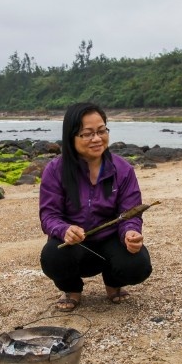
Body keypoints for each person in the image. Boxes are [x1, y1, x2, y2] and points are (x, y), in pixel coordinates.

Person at [39, 102, 153, 311]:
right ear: (71, 136)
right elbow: (49, 215)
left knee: (138, 265)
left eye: (101, 131)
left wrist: (130, 233)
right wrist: (64, 230)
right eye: (87, 134)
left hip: (111, 241)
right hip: (74, 244)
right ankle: (72, 289)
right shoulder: (55, 170)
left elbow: (130, 213)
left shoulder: (123, 169)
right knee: (52, 257)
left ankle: (113, 283)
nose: (97, 139)